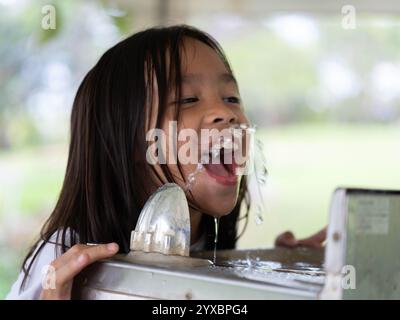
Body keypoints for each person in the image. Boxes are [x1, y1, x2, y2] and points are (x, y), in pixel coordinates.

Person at [6, 25, 325, 300]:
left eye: (231, 98)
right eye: (188, 99)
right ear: (124, 139)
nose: (228, 114)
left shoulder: (200, 249)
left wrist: (293, 265)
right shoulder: (64, 260)